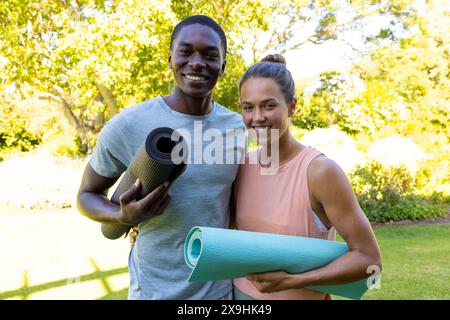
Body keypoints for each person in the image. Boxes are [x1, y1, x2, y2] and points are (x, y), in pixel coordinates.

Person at [76, 15, 245, 300]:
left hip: (219, 292)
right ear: (169, 59)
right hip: (153, 292)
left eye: (210, 55)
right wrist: (120, 214)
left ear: (223, 67)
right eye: (185, 51)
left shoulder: (237, 127)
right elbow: (85, 196)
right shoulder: (128, 124)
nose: (197, 62)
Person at [231, 54, 382, 300]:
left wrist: (296, 280)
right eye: (248, 107)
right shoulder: (242, 166)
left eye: (269, 105)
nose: (257, 117)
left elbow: (369, 259)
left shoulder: (320, 171)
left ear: (292, 106)